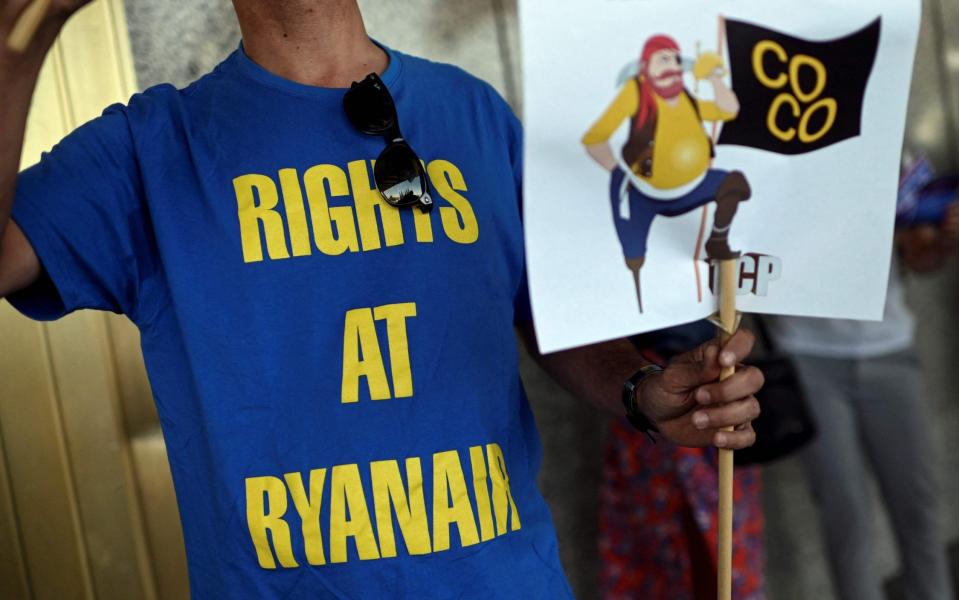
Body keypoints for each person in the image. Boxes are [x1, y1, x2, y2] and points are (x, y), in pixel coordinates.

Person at [0, 1, 764, 597]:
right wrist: (19, 45)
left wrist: (641, 390)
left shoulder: (472, 110)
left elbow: (548, 318)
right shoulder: (147, 149)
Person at [767, 198, 959, 600]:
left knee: (918, 507)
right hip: (806, 354)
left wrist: (944, 239)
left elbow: (919, 254)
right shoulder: (771, 142)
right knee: (846, 516)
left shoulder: (892, 153)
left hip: (889, 348)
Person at [581, 34, 751, 311]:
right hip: (644, 194)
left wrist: (715, 78)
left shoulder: (685, 95)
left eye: (674, 59)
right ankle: (636, 308)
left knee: (735, 184)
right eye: (663, 59)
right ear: (646, 65)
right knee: (633, 256)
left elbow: (727, 110)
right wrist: (618, 173)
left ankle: (717, 242)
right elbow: (594, 138)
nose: (671, 66)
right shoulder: (635, 93)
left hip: (693, 187)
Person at [599, 322, 765, 600]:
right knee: (660, 545)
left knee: (722, 546)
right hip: (650, 408)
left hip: (708, 403)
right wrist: (639, 391)